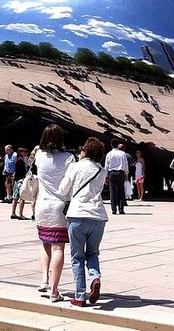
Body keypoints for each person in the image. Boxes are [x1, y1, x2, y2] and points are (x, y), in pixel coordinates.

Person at [58, 137, 108, 307]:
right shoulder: (102, 170)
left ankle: (80, 295)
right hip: (98, 216)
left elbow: (62, 189)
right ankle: (95, 277)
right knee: (93, 253)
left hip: (78, 214)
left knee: (77, 257)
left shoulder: (75, 166)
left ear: (85, 151)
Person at [34, 124, 76, 303]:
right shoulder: (68, 158)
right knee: (59, 246)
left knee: (45, 243)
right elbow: (71, 181)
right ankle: (54, 289)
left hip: (42, 205)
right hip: (60, 205)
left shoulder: (39, 155)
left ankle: (44, 279)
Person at [104, 139, 129, 214]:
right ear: (118, 145)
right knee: (121, 191)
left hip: (112, 173)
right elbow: (125, 164)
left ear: (111, 145)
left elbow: (106, 166)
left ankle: (114, 209)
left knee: (112, 191)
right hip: (120, 173)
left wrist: (106, 176)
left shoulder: (109, 154)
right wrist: (126, 173)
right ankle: (121, 209)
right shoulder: (122, 153)